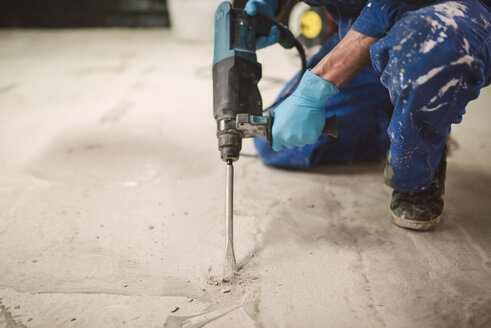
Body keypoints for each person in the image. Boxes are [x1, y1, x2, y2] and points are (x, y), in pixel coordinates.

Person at [246, 0, 491, 230]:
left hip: (448, 18)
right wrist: (269, 4)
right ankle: (404, 117)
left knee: (427, 49)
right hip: (362, 33)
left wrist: (318, 85)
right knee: (277, 140)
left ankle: (418, 173)